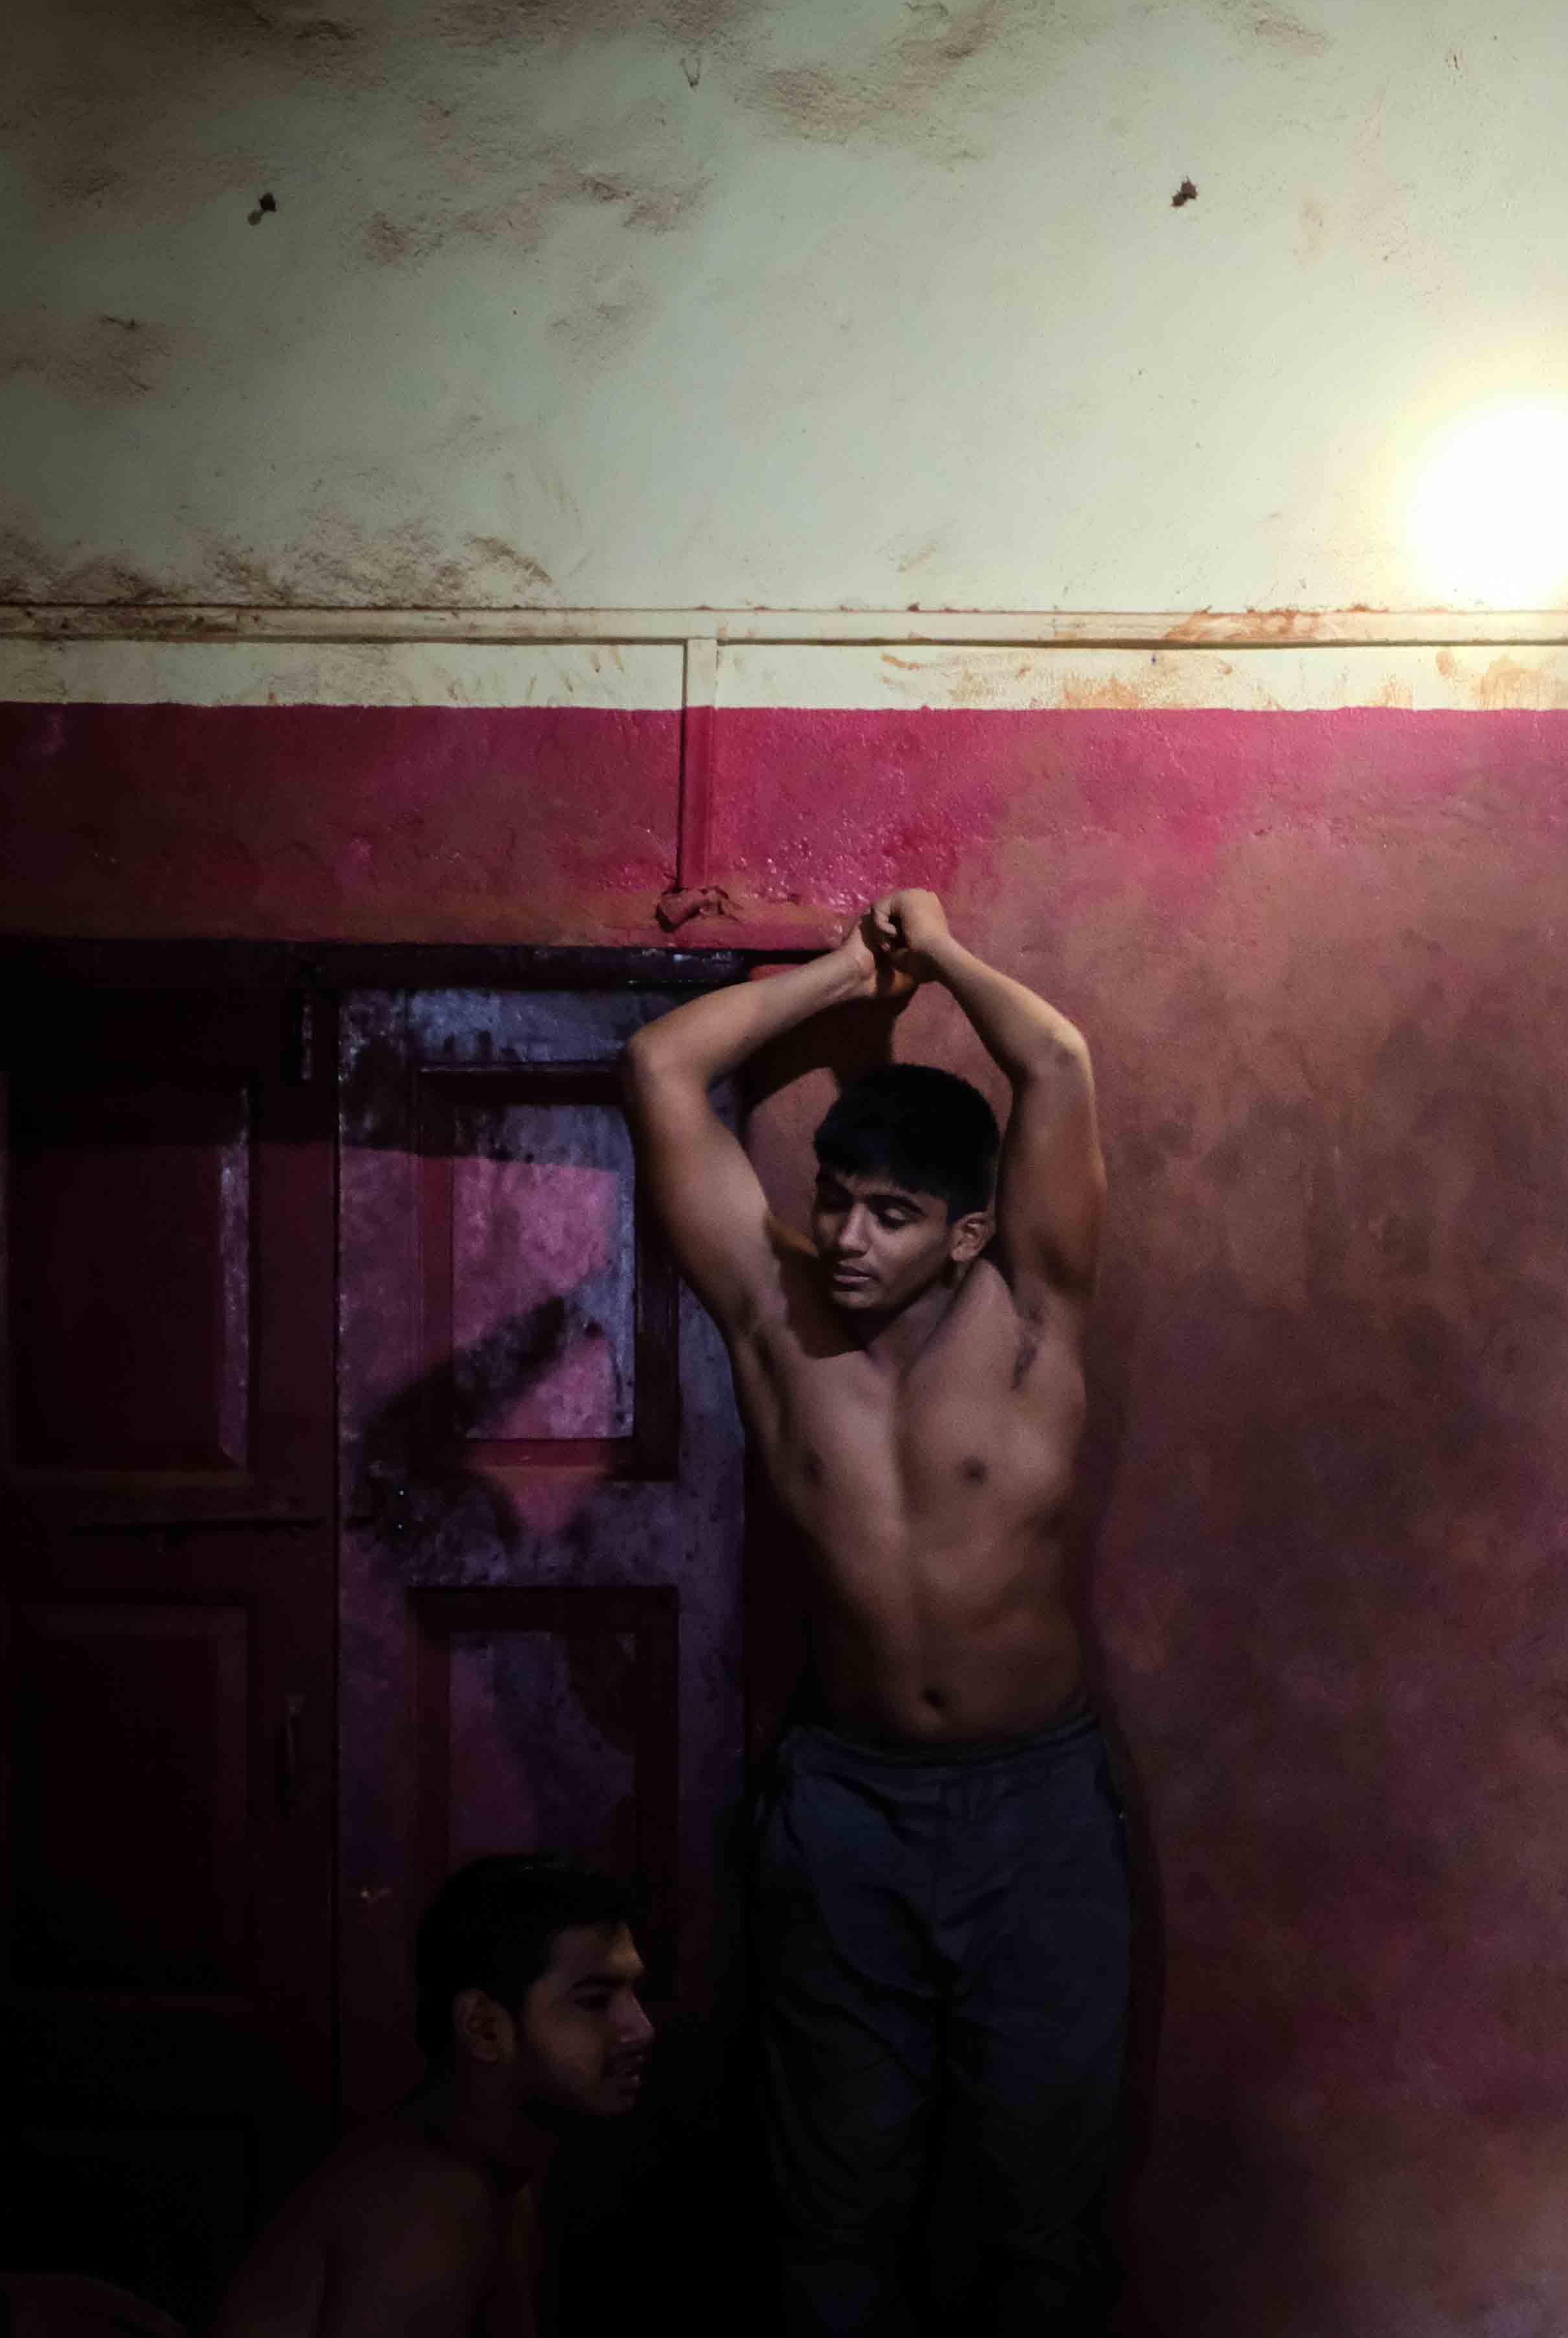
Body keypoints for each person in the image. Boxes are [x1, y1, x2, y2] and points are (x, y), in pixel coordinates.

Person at [619, 889, 1124, 2334]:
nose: (844, 1236)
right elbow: (661, 1065)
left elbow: (1062, 1067)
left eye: (890, 1214)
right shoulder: (776, 1322)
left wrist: (950, 954)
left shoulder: (1032, 1318)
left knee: (1044, 2216)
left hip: (1034, 1815)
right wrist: (846, 974)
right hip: (846, 1805)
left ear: (966, 1233)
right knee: (832, 2210)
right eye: (834, 1197)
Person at [209, 1856, 653, 2338]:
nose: (642, 2028)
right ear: (483, 2026)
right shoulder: (433, 2205)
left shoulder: (499, 2174)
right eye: (595, 2000)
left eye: (634, 1992)